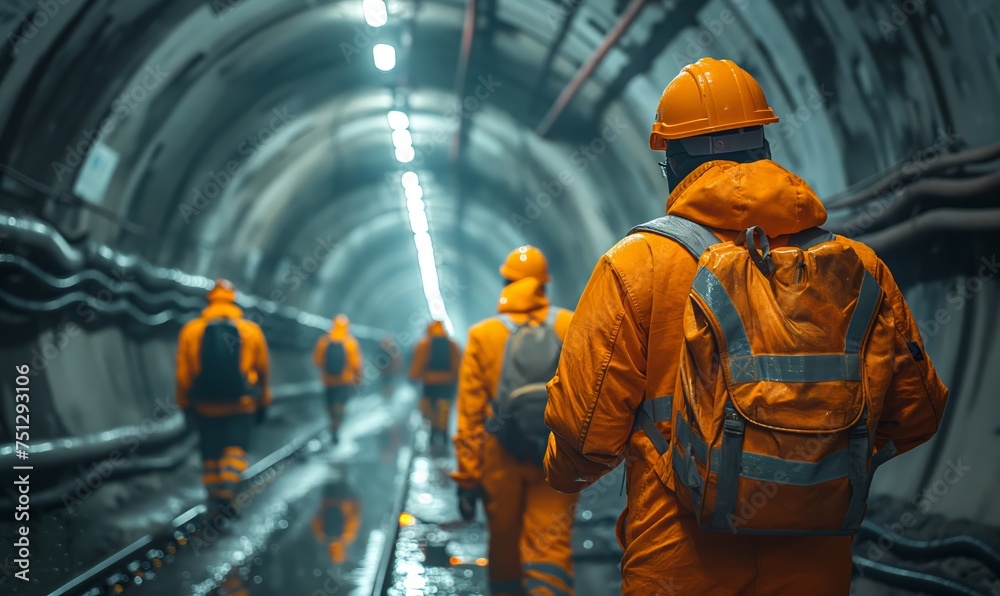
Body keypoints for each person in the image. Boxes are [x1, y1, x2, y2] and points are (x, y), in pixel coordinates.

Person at [543, 57, 950, 594]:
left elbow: (586, 427)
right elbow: (916, 413)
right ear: (764, 149)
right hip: (814, 565)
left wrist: (561, 475)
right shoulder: (855, 266)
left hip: (681, 561)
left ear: (676, 163)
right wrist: (820, 457)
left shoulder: (637, 264)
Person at [452, 246, 578, 596]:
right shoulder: (569, 324)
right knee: (550, 543)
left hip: (499, 456)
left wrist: (466, 476)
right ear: (544, 284)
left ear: (505, 281)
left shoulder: (483, 335)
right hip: (556, 454)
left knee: (504, 542)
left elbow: (471, 415)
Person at [176, 279, 271, 513]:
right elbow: (263, 370)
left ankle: (214, 497)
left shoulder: (191, 330)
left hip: (205, 405)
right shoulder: (250, 330)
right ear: (234, 300)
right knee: (235, 449)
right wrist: (263, 400)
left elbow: (183, 374)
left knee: (210, 453)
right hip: (241, 404)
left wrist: (185, 403)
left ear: (209, 301)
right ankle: (228, 491)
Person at [409, 319, 462, 446]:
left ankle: (433, 430)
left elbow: (418, 362)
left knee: (430, 406)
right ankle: (443, 431)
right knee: (444, 406)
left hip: (429, 381)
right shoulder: (452, 345)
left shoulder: (424, 344)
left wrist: (413, 376)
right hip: (447, 381)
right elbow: (457, 364)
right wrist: (458, 378)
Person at [313, 314, 363, 444]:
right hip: (344, 381)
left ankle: (332, 423)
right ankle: (336, 427)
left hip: (328, 381)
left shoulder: (323, 341)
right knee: (339, 405)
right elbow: (356, 364)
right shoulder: (351, 342)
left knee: (330, 405)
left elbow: (317, 361)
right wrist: (358, 380)